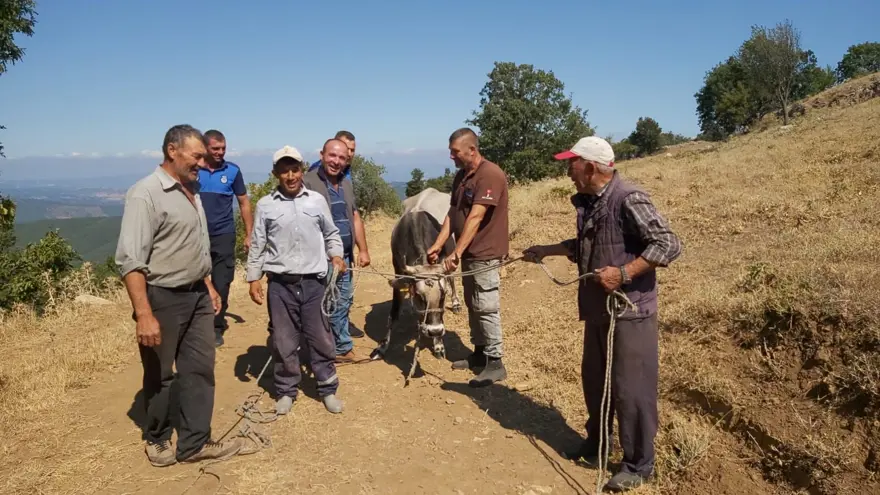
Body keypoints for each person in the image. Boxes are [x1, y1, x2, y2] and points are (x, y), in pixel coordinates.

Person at [522, 136, 682, 493]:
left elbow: (669, 244)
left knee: (631, 389)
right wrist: (546, 250)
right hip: (598, 310)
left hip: (629, 313)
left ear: (590, 167)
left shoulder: (629, 198)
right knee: (595, 381)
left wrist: (624, 274)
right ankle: (598, 446)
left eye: (571, 163)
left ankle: (639, 464)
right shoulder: (593, 202)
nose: (567, 171)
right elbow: (587, 245)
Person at [115, 124, 244, 467]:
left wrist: (209, 285)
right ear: (172, 151)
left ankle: (195, 442)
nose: (202, 163)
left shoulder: (193, 190)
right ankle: (156, 438)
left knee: (200, 369)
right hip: (162, 297)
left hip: (198, 295)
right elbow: (131, 261)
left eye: (204, 156)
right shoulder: (147, 194)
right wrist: (144, 313)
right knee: (160, 373)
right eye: (197, 155)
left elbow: (195, 245)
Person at [246, 145, 346, 415]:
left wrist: (336, 255)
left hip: (314, 282)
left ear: (302, 170)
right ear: (275, 173)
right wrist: (253, 278)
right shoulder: (266, 205)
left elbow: (331, 233)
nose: (290, 176)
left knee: (321, 338)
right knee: (283, 340)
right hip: (280, 285)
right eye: (284, 171)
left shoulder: (316, 201)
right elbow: (257, 244)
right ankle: (286, 390)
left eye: (294, 169)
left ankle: (327, 388)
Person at [427, 127, 510, 387]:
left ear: (471, 150)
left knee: (485, 305)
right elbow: (453, 214)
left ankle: (495, 362)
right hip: (471, 256)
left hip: (485, 253)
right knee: (472, 303)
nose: (451, 157)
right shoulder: (462, 177)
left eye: (455, 152)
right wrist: (438, 245)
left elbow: (476, 216)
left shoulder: (490, 175)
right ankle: (478, 354)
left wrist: (456, 252)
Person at [303, 138, 371, 362]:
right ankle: (331, 348)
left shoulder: (346, 183)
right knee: (326, 303)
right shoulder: (308, 183)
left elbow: (354, 216)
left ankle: (339, 346)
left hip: (346, 255)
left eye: (342, 157)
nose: (336, 161)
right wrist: (330, 256)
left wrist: (363, 249)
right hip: (323, 257)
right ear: (322, 154)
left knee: (342, 300)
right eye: (332, 155)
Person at [197, 129, 253, 347]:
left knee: (222, 282)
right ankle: (197, 324)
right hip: (196, 236)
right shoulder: (194, 169)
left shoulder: (232, 171)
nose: (220, 152)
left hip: (224, 234)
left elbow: (244, 202)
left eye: (223, 148)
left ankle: (216, 326)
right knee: (195, 280)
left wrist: (249, 234)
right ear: (205, 148)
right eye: (215, 149)